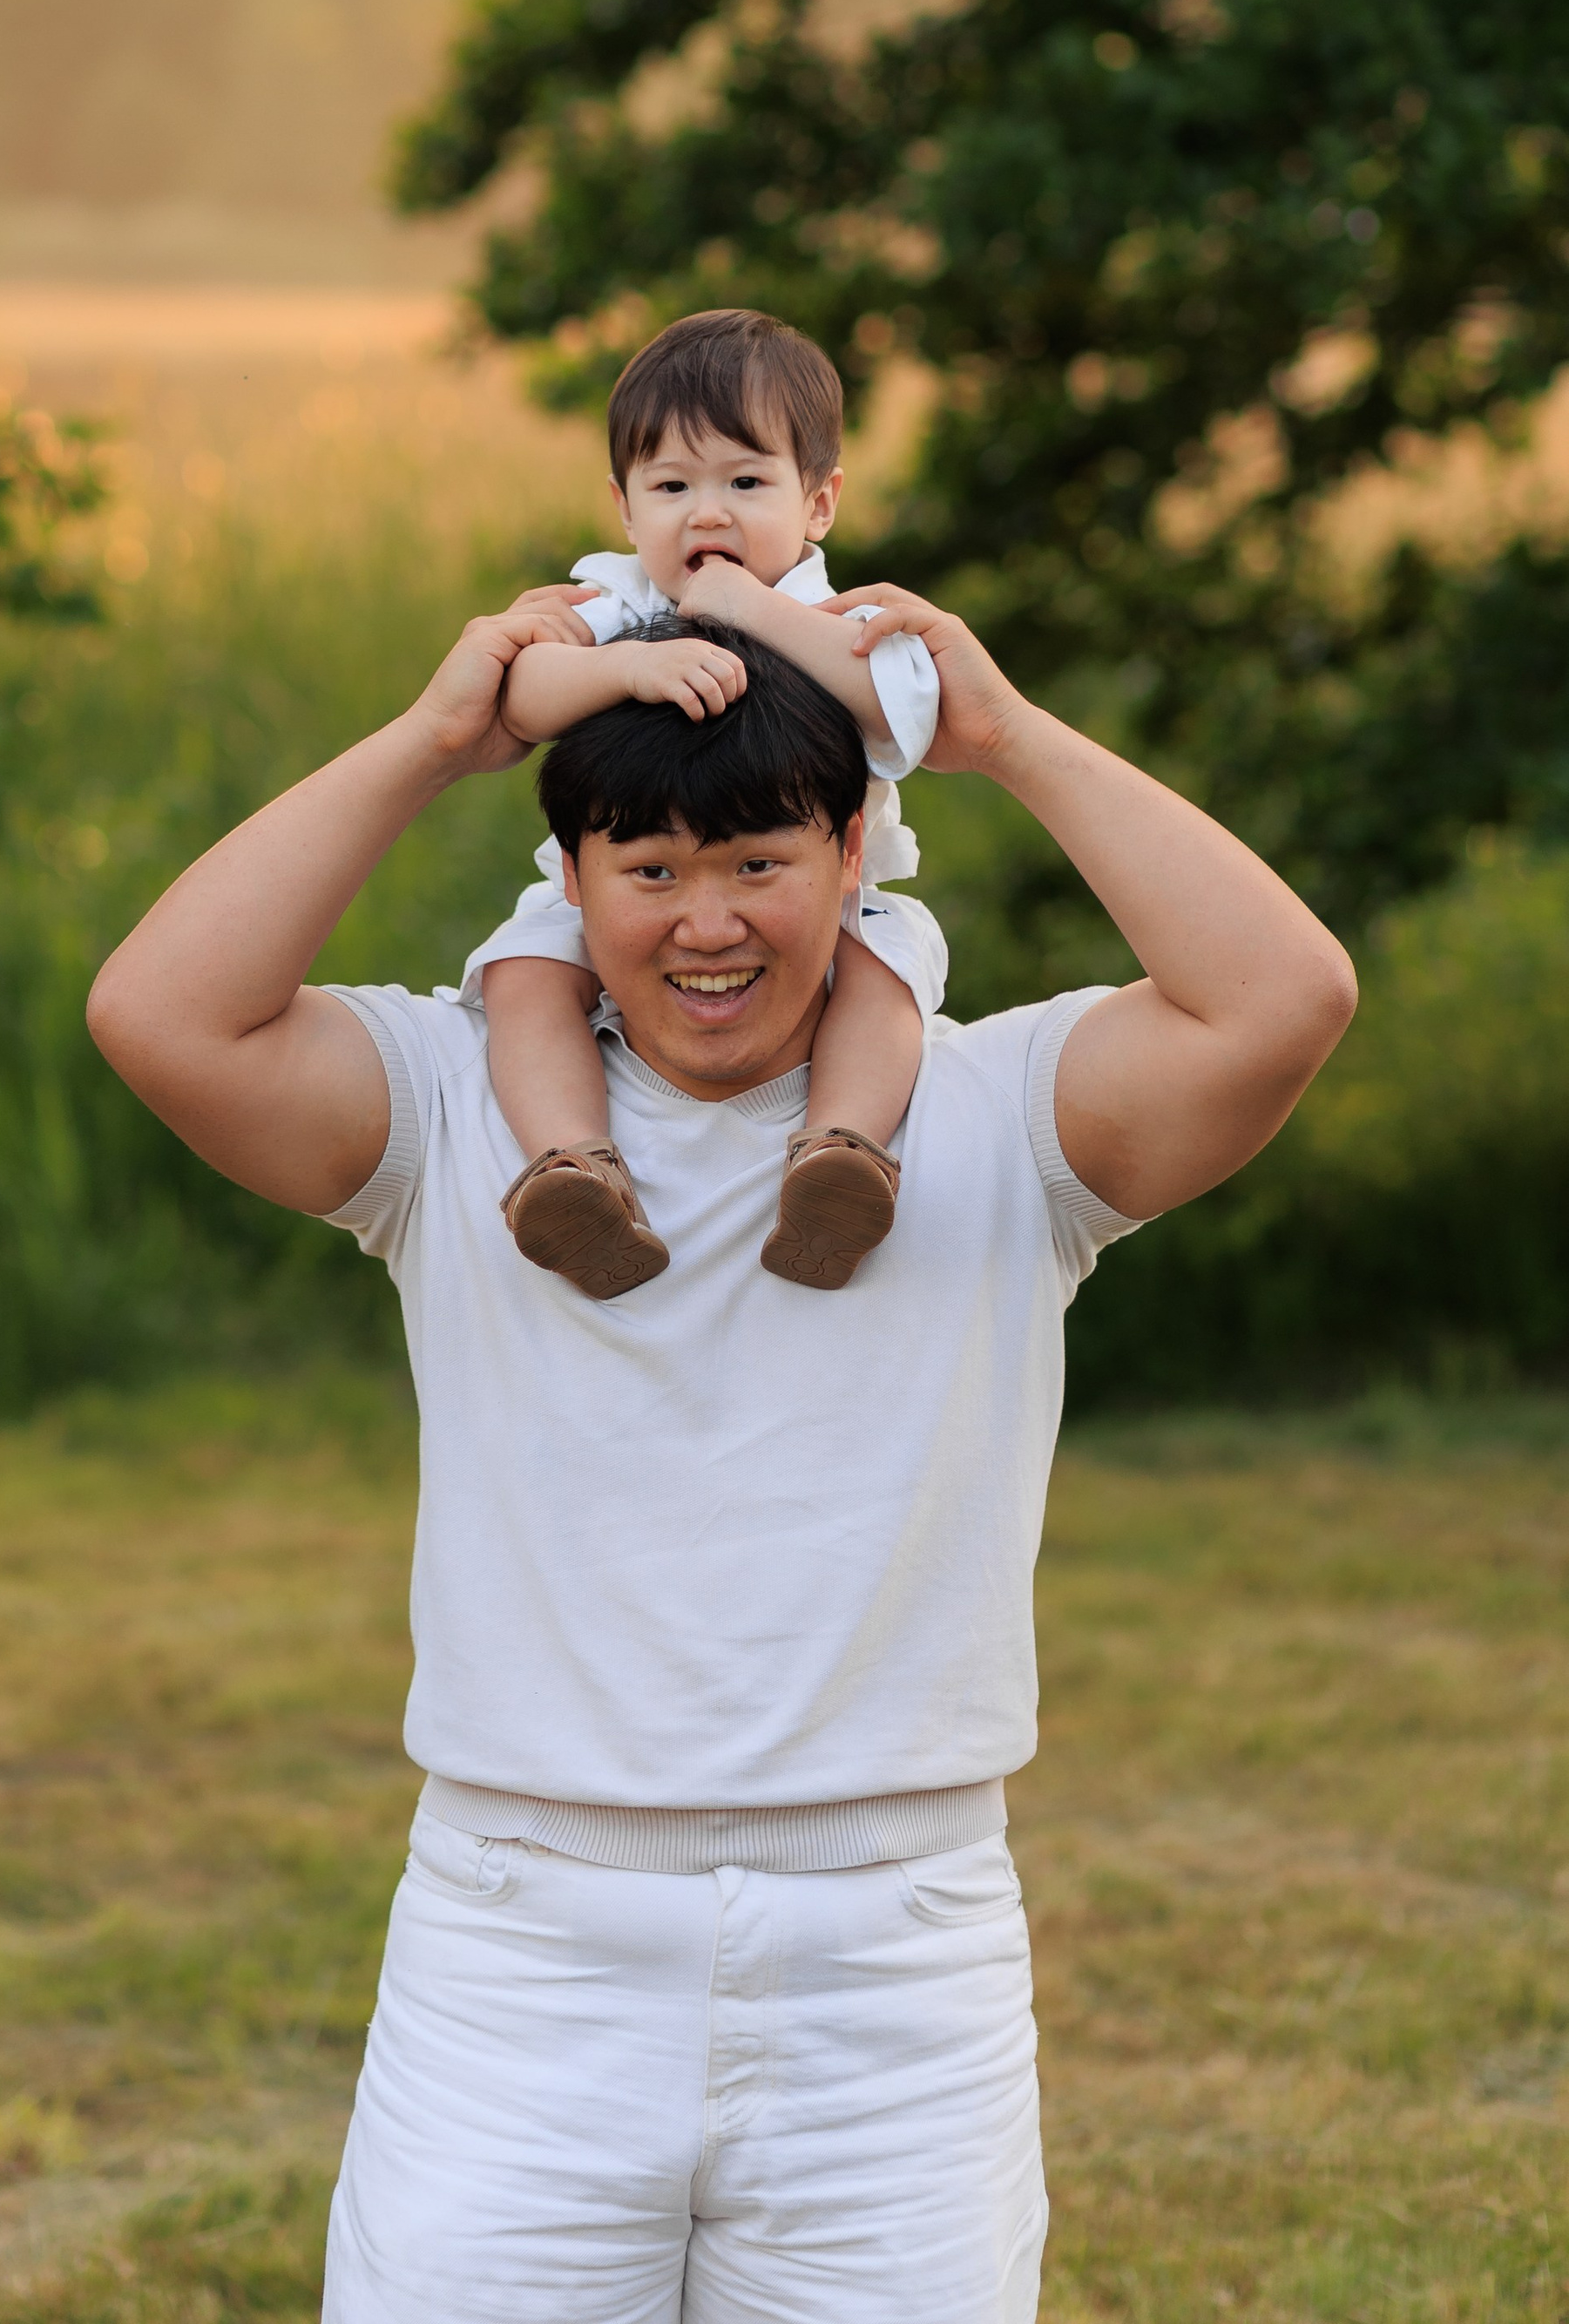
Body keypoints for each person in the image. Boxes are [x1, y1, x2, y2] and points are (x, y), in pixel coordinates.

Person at [86, 574, 1355, 2324]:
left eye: (758, 862)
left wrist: (993, 735)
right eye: (648, 870)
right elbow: (158, 1013)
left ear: (852, 855)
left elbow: (1282, 996)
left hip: (891, 1965)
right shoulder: (456, 1104)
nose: (704, 926)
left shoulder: (993, 1111)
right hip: (521, 1942)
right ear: (571, 881)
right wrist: (425, 744)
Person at [470, 304, 948, 1301]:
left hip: (829, 904)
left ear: (818, 502)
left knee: (886, 978)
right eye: (671, 486)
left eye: (745, 481)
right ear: (623, 505)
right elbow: (517, 698)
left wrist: (747, 608)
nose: (707, 515)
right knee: (522, 977)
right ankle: (574, 1171)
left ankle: (840, 1155)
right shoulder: (617, 602)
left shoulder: (838, 614)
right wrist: (628, 667)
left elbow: (902, 713)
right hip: (612, 886)